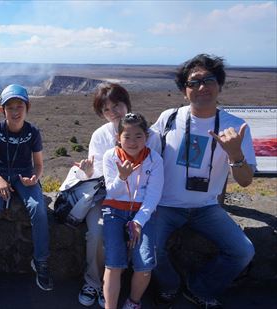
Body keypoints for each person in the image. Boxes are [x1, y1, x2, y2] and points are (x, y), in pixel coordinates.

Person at [151, 54, 256, 309]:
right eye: (193, 82)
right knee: (149, 250)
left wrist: (235, 154)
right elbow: (143, 152)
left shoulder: (236, 126)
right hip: (166, 205)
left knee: (243, 251)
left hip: (207, 207)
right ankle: (169, 285)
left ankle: (199, 287)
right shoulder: (169, 119)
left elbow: (245, 181)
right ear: (184, 91)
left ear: (219, 85)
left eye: (209, 80)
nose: (202, 87)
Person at [59, 83, 161, 307]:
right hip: (108, 197)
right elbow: (99, 176)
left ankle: (115, 286)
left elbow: (154, 176)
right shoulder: (100, 136)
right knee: (96, 232)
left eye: (117, 106)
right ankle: (95, 282)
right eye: (106, 110)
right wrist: (88, 172)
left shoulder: (150, 136)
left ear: (127, 104)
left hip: (140, 201)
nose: (113, 112)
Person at [0, 84, 53, 292]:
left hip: (25, 174)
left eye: (20, 106)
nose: (16, 111)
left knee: (38, 209)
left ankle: (41, 261)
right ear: (3, 111)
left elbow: (38, 164)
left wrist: (35, 178)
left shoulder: (33, 132)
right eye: (10, 107)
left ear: (27, 107)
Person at [101, 113, 163, 309]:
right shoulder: (111, 156)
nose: (133, 142)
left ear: (146, 137)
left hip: (142, 214)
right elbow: (111, 191)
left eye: (138, 136)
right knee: (114, 263)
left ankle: (133, 302)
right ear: (118, 138)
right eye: (127, 136)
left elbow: (153, 196)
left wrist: (138, 221)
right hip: (114, 211)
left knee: (145, 265)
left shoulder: (155, 160)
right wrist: (122, 177)